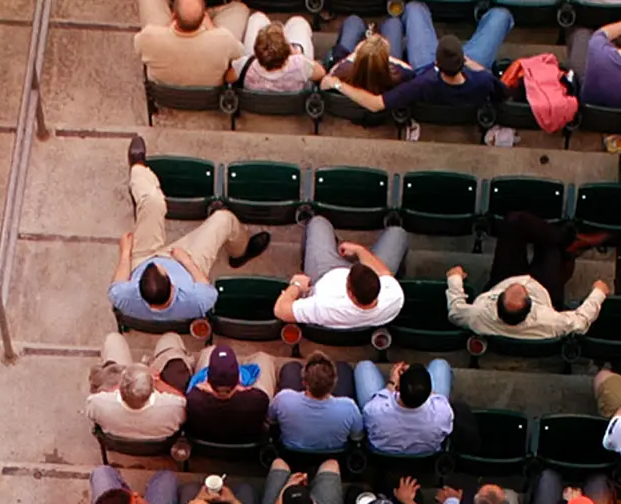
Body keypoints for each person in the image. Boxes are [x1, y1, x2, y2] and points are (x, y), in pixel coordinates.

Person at [111, 136, 267, 329]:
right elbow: (204, 283)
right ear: (171, 285)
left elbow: (118, 283)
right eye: (160, 269)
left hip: (141, 259)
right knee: (223, 219)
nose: (158, 265)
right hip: (186, 264)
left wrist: (126, 252)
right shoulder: (198, 300)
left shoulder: (123, 297)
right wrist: (186, 260)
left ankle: (138, 168)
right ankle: (240, 253)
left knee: (153, 202)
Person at [321, 10, 513, 116]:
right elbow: (503, 93)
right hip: (472, 67)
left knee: (414, 7)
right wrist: (477, 67)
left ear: (437, 61)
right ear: (462, 60)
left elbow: (376, 104)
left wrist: (337, 82)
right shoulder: (483, 81)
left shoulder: (421, 82)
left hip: (426, 66)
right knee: (502, 16)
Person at [274, 217, 406, 329]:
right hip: (364, 319)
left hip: (324, 273)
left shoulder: (324, 305)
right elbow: (384, 272)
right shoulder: (394, 297)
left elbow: (280, 310)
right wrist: (360, 250)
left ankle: (306, 263)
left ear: (350, 293)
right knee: (398, 233)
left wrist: (297, 285)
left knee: (318, 222)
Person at [446, 262, 608, 342]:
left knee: (514, 227)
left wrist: (454, 278)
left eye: (509, 290)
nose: (518, 285)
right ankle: (567, 234)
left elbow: (455, 310)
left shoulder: (478, 315)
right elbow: (580, 322)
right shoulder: (549, 321)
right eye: (521, 291)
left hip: (504, 276)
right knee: (553, 252)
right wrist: (599, 292)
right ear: (529, 304)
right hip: (544, 287)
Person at [87, 333, 189, 442]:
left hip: (119, 443)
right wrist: (158, 381)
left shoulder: (98, 403)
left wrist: (123, 382)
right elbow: (184, 400)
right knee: (171, 339)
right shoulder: (175, 408)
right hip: (159, 445)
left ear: (120, 388)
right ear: (152, 390)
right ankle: (153, 360)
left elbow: (92, 407)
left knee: (113, 339)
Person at [134, 0, 243, 86]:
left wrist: (169, 28)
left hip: (167, 106)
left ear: (174, 16)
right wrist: (212, 29)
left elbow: (140, 42)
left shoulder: (148, 38)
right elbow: (239, 53)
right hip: (209, 104)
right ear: (204, 18)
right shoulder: (225, 41)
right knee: (241, 8)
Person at [267, 353, 362, 452]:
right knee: (343, 367)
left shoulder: (283, 398)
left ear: (304, 382)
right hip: (333, 459)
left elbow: (271, 420)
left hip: (291, 457)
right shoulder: (348, 407)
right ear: (335, 383)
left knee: (291, 366)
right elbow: (357, 436)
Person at [357, 361, 453, 458]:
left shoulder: (374, 411)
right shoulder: (442, 412)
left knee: (364, 366)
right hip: (426, 456)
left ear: (397, 389)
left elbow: (370, 410)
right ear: (429, 393)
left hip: (382, 453)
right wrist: (421, 385)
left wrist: (392, 382)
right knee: (440, 364)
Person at [185, 343, 274, 446]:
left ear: (207, 382)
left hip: (206, 448)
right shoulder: (259, 400)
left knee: (208, 351)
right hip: (246, 448)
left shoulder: (193, 399)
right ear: (238, 381)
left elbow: (195, 391)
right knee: (263, 358)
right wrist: (241, 388)